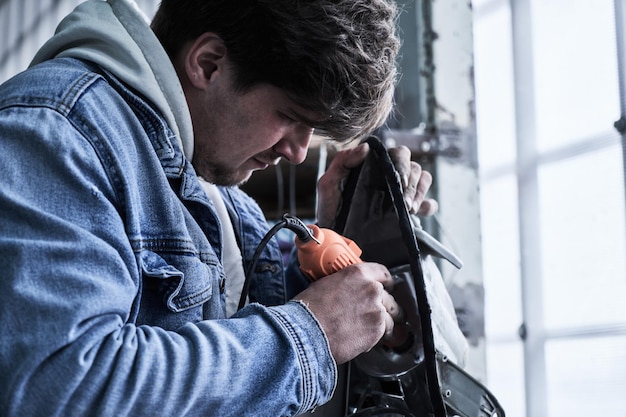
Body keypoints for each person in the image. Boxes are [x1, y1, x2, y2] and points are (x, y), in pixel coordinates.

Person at [0, 0, 438, 415]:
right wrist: (311, 335)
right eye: (291, 117)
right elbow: (63, 389)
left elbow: (231, 329)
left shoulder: (216, 194)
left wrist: (339, 233)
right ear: (208, 63)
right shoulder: (55, 138)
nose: (299, 152)